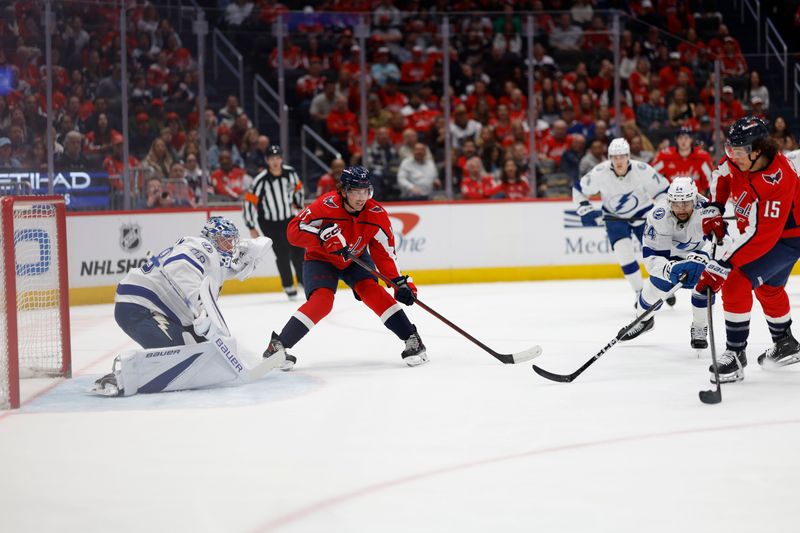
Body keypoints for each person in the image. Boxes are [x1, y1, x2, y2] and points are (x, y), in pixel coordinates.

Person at [91, 217, 280, 396]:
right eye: (226, 241)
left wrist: (251, 249)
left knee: (200, 352)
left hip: (162, 308)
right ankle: (120, 378)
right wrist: (200, 309)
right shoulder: (201, 248)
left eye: (232, 241)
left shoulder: (213, 257)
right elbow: (182, 269)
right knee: (176, 357)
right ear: (212, 240)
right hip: (139, 306)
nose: (231, 247)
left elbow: (248, 253)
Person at [263, 166, 427, 370]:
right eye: (355, 191)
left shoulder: (376, 214)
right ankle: (278, 346)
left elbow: (385, 254)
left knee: (372, 291)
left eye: (365, 191)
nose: (361, 197)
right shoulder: (325, 205)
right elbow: (293, 231)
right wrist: (321, 236)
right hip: (320, 259)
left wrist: (398, 282)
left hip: (355, 259)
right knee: (322, 302)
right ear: (343, 191)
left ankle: (412, 338)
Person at [696, 116, 800, 383]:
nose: (733, 156)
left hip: (786, 239)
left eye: (739, 151)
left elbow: (761, 237)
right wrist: (715, 207)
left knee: (735, 280)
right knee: (769, 288)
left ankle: (735, 355)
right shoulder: (743, 158)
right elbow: (722, 172)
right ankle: (785, 342)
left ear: (758, 150)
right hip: (768, 235)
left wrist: (722, 265)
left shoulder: (778, 181)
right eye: (732, 148)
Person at [573, 137, 670, 305]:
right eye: (614, 157)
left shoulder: (642, 169)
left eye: (622, 156)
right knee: (623, 253)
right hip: (614, 217)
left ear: (628, 156)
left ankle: (661, 287)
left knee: (655, 254)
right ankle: (640, 293)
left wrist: (659, 210)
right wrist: (584, 209)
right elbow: (578, 189)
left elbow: (663, 190)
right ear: (610, 158)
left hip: (643, 214)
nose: (619, 161)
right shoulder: (599, 172)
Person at [619, 177, 711, 346]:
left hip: (701, 255)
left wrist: (705, 256)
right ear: (669, 201)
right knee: (653, 289)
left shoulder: (707, 210)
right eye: (676, 204)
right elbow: (652, 257)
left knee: (705, 287)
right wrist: (669, 269)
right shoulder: (658, 215)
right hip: (669, 258)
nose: (681, 208)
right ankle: (643, 321)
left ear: (695, 199)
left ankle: (700, 327)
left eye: (686, 203)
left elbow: (723, 241)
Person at [243, 145, 305, 299]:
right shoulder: (261, 180)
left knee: (298, 250)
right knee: (282, 252)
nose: (275, 161)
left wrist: (299, 208)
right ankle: (288, 285)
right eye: (272, 159)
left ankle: (303, 281)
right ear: (267, 160)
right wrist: (251, 226)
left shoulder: (290, 173)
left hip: (289, 218)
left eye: (278, 158)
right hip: (269, 222)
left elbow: (299, 189)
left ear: (281, 159)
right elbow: (249, 202)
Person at [651, 127, 714, 195]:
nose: (683, 141)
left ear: (691, 139)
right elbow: (651, 173)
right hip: (672, 198)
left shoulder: (702, 157)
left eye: (686, 138)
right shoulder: (665, 156)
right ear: (676, 140)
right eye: (680, 138)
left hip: (696, 198)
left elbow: (710, 180)